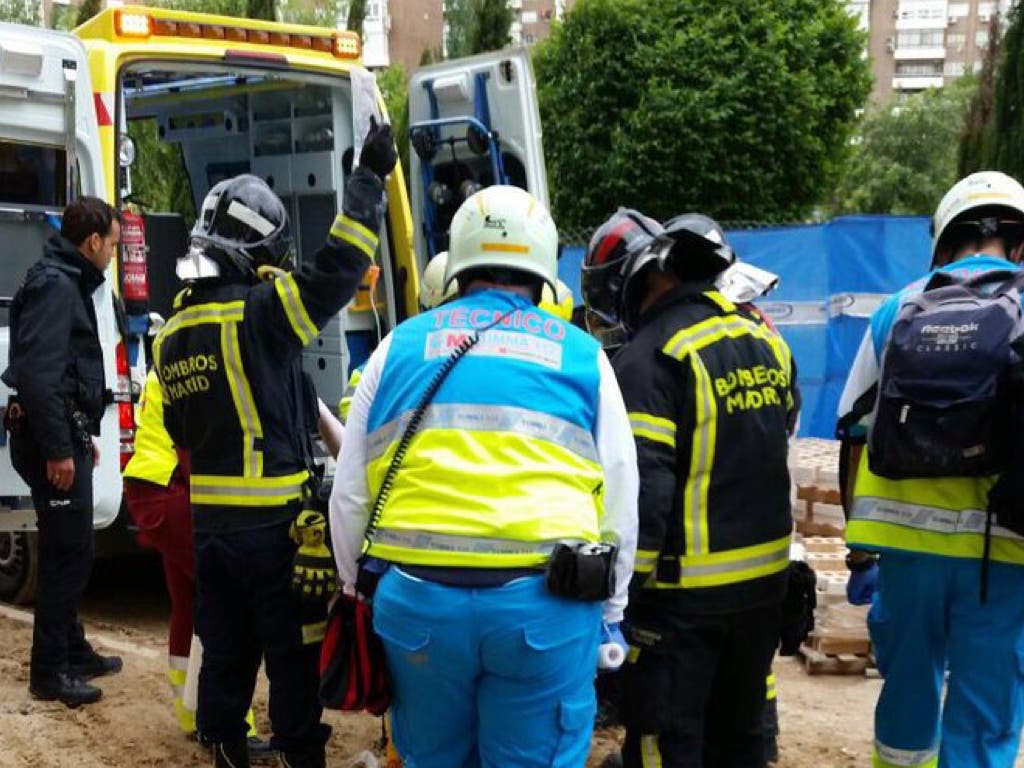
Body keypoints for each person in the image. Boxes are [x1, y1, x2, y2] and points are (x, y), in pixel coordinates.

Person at [330, 184, 639, 768]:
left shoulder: (396, 348)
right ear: (543, 271)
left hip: (418, 610)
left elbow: (349, 497)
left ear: (459, 264)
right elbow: (621, 495)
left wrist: (355, 588)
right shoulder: (583, 357)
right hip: (544, 611)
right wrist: (611, 612)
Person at [152, 120, 397, 768]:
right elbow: (340, 267)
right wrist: (368, 177)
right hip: (274, 533)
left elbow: (182, 433)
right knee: (293, 655)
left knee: (225, 653)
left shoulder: (171, 333)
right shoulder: (260, 312)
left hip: (211, 531)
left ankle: (227, 751)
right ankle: (297, 755)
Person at [583, 210, 796, 768]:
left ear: (636, 281)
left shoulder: (652, 357)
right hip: (764, 590)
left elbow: (646, 497)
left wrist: (621, 600)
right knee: (740, 742)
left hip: (682, 607)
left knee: (666, 745)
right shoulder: (763, 338)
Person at [837, 170, 1024, 768]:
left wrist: (860, 553)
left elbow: (853, 430)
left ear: (943, 240)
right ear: (1019, 242)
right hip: (1004, 553)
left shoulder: (897, 309)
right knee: (985, 714)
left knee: (908, 700)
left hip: (904, 549)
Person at [3, 196, 124, 708]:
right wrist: (58, 448)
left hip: (59, 434)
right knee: (66, 554)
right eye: (112, 245)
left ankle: (71, 650)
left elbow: (63, 374)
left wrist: (78, 435)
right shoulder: (56, 286)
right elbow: (39, 376)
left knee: (73, 548)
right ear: (92, 242)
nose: (114, 255)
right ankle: (50, 671)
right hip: (47, 441)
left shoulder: (63, 280)